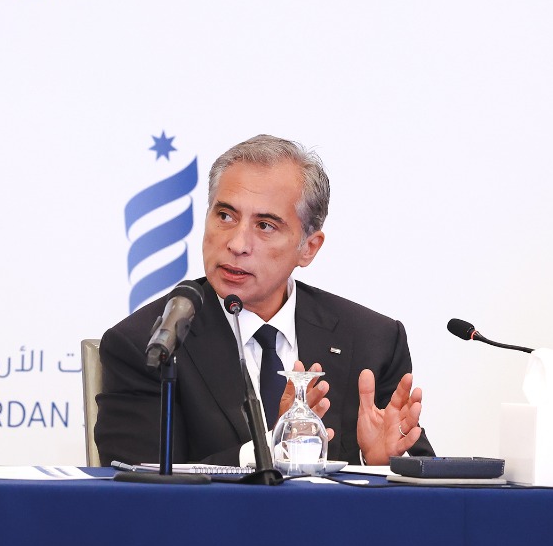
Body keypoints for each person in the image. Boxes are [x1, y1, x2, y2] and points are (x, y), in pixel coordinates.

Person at [96, 134, 432, 466]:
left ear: (308, 248)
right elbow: (141, 481)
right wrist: (270, 449)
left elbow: (426, 482)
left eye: (265, 225)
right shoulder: (148, 346)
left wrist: (379, 463)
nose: (237, 244)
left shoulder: (372, 341)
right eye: (225, 216)